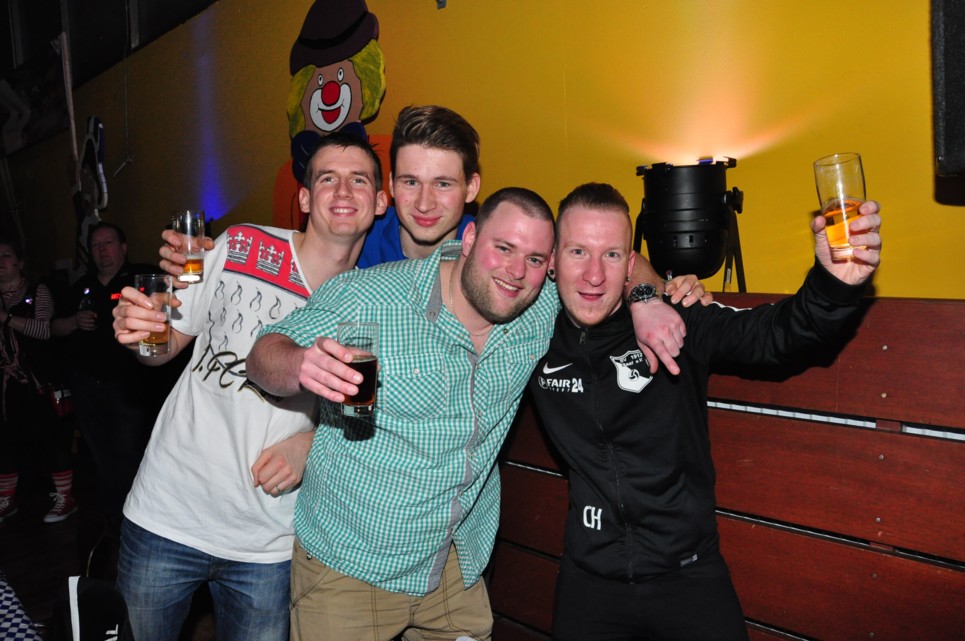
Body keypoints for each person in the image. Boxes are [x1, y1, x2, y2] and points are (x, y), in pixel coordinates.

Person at [245, 186, 708, 641]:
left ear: (549, 266)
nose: (515, 272)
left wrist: (646, 299)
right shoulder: (371, 295)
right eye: (503, 248)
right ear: (469, 239)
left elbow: (614, 256)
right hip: (349, 569)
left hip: (452, 568)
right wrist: (300, 365)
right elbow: (264, 354)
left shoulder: (536, 307)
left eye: (534, 259)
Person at [528, 182, 882, 641]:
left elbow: (779, 336)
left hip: (687, 576)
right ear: (553, 260)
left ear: (630, 264)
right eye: (578, 252)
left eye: (611, 255)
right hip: (589, 580)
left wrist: (833, 284)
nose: (594, 275)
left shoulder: (677, 321)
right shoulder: (530, 336)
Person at [109, 131, 388, 641]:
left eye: (360, 180)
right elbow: (165, 345)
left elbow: (368, 422)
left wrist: (309, 445)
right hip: (167, 513)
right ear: (305, 198)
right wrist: (139, 332)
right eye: (327, 178)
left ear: (381, 201)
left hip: (269, 542)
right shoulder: (242, 245)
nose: (343, 191)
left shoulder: (372, 304)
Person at [50, 222, 156, 535]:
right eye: (96, 245)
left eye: (108, 243)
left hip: (127, 387)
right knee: (100, 456)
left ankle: (137, 522)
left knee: (128, 455)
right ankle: (114, 520)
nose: (101, 250)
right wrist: (74, 321)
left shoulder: (141, 278)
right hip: (86, 386)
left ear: (123, 247)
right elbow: (53, 327)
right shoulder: (81, 286)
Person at [0, 239, 75, 524]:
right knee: (5, 441)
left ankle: (65, 498)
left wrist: (6, 318)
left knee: (51, 439)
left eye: (6, 256)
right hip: (7, 383)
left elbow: (44, 330)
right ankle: (6, 500)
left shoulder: (37, 291)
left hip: (39, 381)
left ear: (20, 262)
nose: (0, 261)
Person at [357, 104, 481, 266]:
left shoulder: (488, 253)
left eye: (443, 184)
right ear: (391, 183)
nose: (424, 205)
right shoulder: (358, 238)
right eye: (411, 182)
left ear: (471, 188)